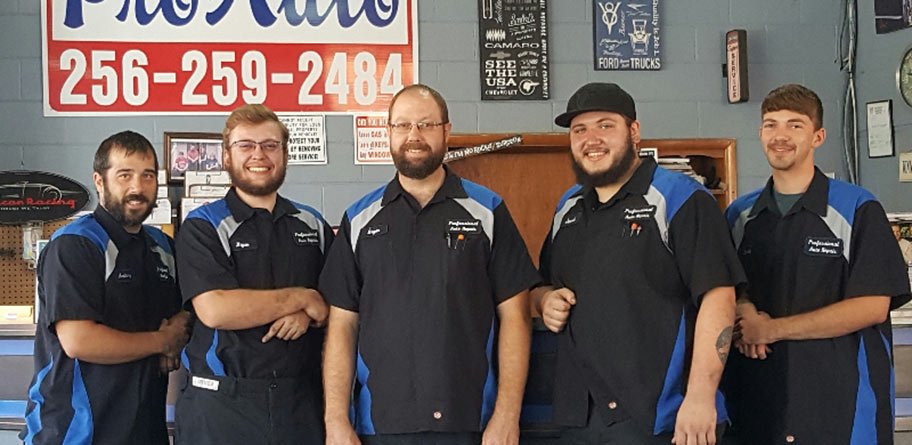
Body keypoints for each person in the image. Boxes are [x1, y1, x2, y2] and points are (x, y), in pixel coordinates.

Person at [320, 84, 538, 445]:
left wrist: (506, 415)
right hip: (380, 426)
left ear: (446, 131)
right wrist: (336, 420)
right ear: (389, 133)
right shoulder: (358, 220)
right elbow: (342, 325)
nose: (414, 135)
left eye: (426, 124)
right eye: (403, 125)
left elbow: (515, 317)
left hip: (470, 422)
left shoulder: (488, 211)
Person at [531, 82, 744, 444]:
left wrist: (700, 397)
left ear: (634, 131)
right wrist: (544, 300)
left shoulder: (680, 198)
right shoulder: (568, 206)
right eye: (579, 130)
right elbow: (540, 286)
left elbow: (719, 297)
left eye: (605, 125)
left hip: (662, 417)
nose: (591, 139)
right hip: (578, 416)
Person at [724, 84, 912, 444]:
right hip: (757, 400)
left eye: (795, 125)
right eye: (771, 125)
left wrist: (772, 329)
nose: (780, 136)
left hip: (842, 404)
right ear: (760, 133)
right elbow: (727, 286)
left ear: (818, 137)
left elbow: (873, 306)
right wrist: (744, 312)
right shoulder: (740, 215)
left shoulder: (857, 208)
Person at [174, 104, 333, 444]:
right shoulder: (203, 226)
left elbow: (336, 304)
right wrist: (302, 297)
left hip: (299, 402)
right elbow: (216, 310)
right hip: (221, 403)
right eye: (245, 145)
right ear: (226, 156)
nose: (259, 154)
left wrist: (310, 313)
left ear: (284, 154)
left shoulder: (313, 225)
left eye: (270, 145)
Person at [20, 131, 189, 445]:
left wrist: (178, 329)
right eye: (125, 175)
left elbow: (187, 307)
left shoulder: (162, 246)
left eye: (148, 175)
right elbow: (79, 340)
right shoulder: (76, 244)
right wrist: (162, 342)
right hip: (76, 430)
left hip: (143, 428)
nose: (137, 187)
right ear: (99, 181)